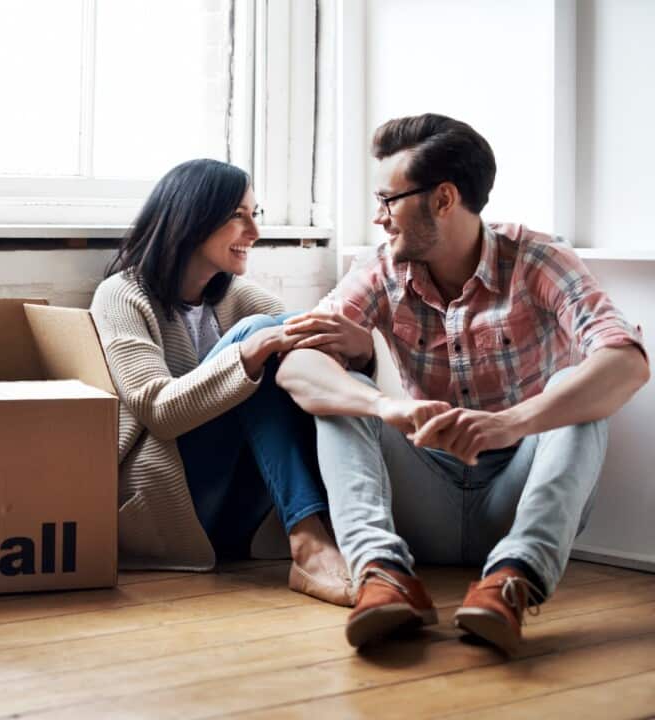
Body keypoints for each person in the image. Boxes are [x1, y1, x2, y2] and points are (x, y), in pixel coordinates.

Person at [277, 113, 649, 652]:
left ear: (443, 199)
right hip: (422, 496)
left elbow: (627, 361)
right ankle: (382, 577)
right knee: (341, 395)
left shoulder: (538, 260)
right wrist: (386, 407)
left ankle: (512, 582)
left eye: (389, 200)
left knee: (580, 390)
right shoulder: (380, 268)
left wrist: (508, 423)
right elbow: (295, 365)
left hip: (519, 497)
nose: (379, 217)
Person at [90, 158, 353, 606]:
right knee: (258, 340)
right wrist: (248, 354)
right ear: (192, 217)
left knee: (284, 337)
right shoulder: (122, 295)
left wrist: (350, 344)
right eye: (239, 216)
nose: (254, 232)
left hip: (238, 513)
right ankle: (311, 542)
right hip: (171, 505)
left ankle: (345, 531)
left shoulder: (236, 296)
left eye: (257, 214)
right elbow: (159, 411)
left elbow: (297, 337)